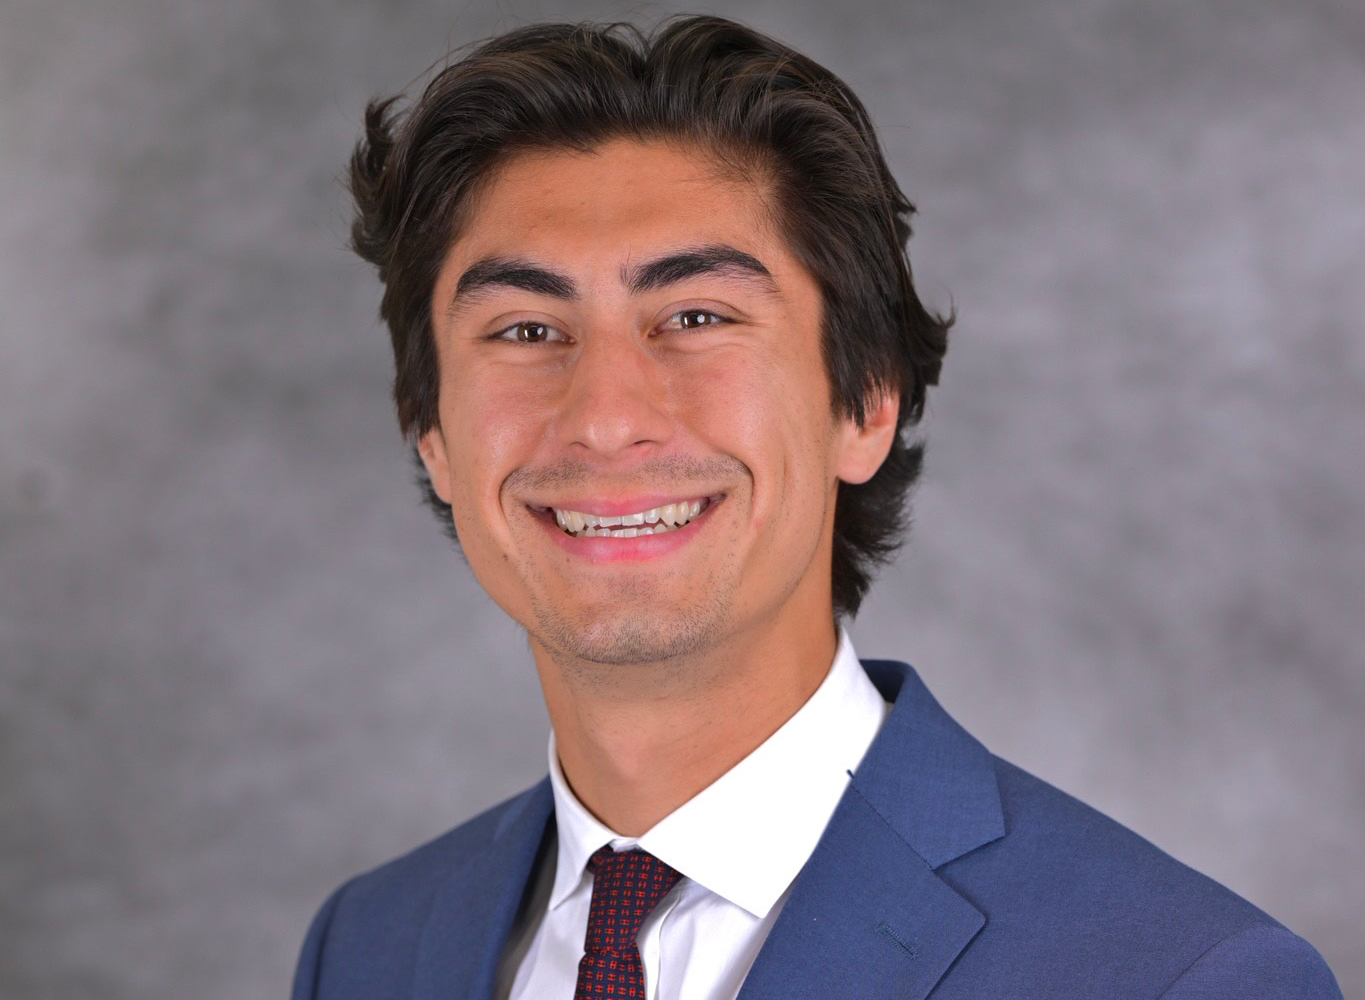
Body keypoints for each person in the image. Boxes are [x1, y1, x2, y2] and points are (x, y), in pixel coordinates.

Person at [291, 15, 1342, 1000]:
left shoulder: (1178, 975)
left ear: (866, 401)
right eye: (525, 331)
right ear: (430, 429)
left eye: (695, 315)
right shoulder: (372, 946)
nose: (605, 419)